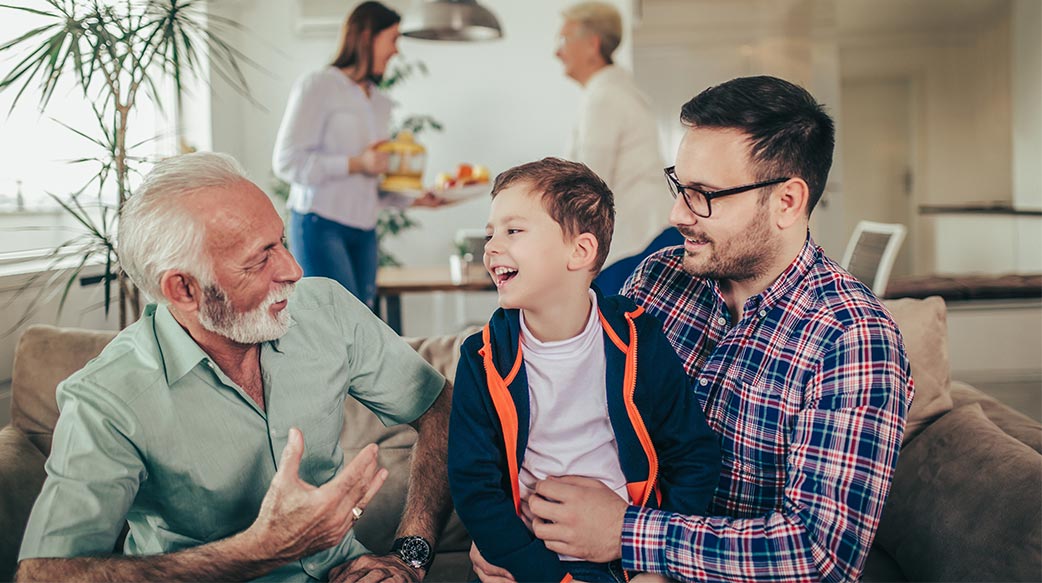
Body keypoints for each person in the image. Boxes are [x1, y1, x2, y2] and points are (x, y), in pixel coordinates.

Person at [471, 76, 915, 582]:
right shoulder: (660, 279)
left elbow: (818, 557)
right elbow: (561, 410)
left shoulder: (853, 340)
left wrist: (627, 533)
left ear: (787, 202)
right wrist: (506, 535)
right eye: (679, 186)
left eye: (704, 194)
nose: (677, 213)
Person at [17, 152, 452, 583]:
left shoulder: (327, 309)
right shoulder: (108, 398)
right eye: (260, 258)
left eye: (281, 241)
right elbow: (42, 575)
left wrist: (409, 557)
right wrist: (259, 551)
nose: (294, 270)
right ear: (183, 289)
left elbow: (440, 406)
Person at [449, 158, 720, 583]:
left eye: (513, 230)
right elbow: (473, 486)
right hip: (526, 562)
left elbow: (691, 453)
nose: (491, 247)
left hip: (627, 554)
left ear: (580, 251)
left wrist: (659, 564)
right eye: (490, 233)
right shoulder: (481, 358)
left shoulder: (640, 339)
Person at [272, 1, 442, 309]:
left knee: (362, 320)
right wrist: (355, 163)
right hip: (319, 222)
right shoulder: (319, 85)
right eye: (392, 39)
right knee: (337, 320)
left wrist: (416, 199)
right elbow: (287, 162)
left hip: (364, 228)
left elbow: (369, 183)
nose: (396, 51)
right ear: (367, 36)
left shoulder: (379, 102)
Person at [555, 2, 680, 295]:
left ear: (591, 44)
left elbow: (588, 184)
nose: (557, 52)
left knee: (620, 333)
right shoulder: (612, 90)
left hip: (636, 240)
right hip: (646, 232)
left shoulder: (605, 97)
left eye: (564, 40)